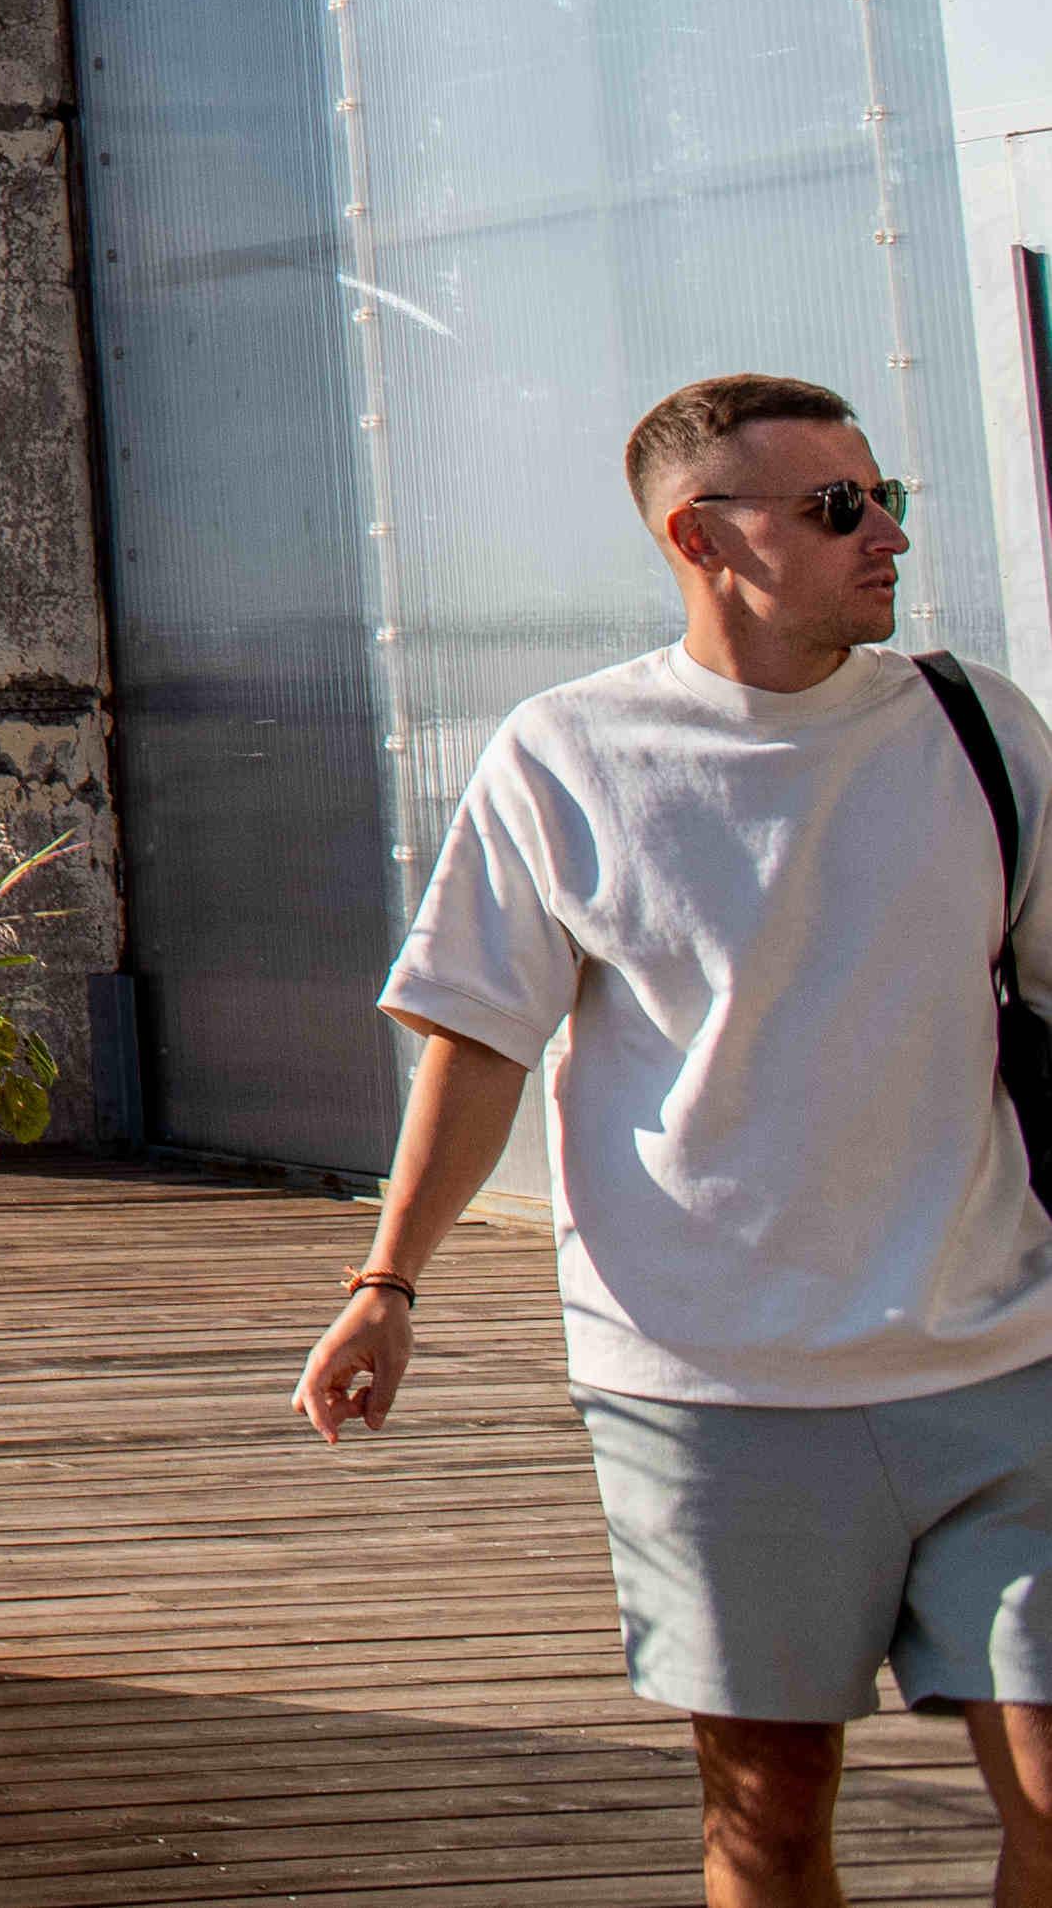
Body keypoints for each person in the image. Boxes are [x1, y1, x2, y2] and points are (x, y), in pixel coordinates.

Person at [300, 371, 1052, 1908]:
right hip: (709, 1388)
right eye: (835, 506)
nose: (885, 534)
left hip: (998, 1356)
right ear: (697, 536)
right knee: (768, 1821)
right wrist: (385, 1282)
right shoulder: (565, 753)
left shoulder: (975, 728)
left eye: (884, 495)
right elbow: (476, 1040)